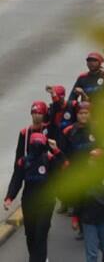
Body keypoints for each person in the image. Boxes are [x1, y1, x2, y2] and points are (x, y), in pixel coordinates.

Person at [4, 104, 58, 262]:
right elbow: (17, 173)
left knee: (42, 233)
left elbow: (61, 166)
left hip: (46, 196)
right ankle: (35, 257)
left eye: (39, 113)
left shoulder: (50, 133)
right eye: (34, 113)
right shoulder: (25, 133)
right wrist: (9, 197)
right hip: (29, 194)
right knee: (31, 234)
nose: (36, 116)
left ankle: (38, 259)